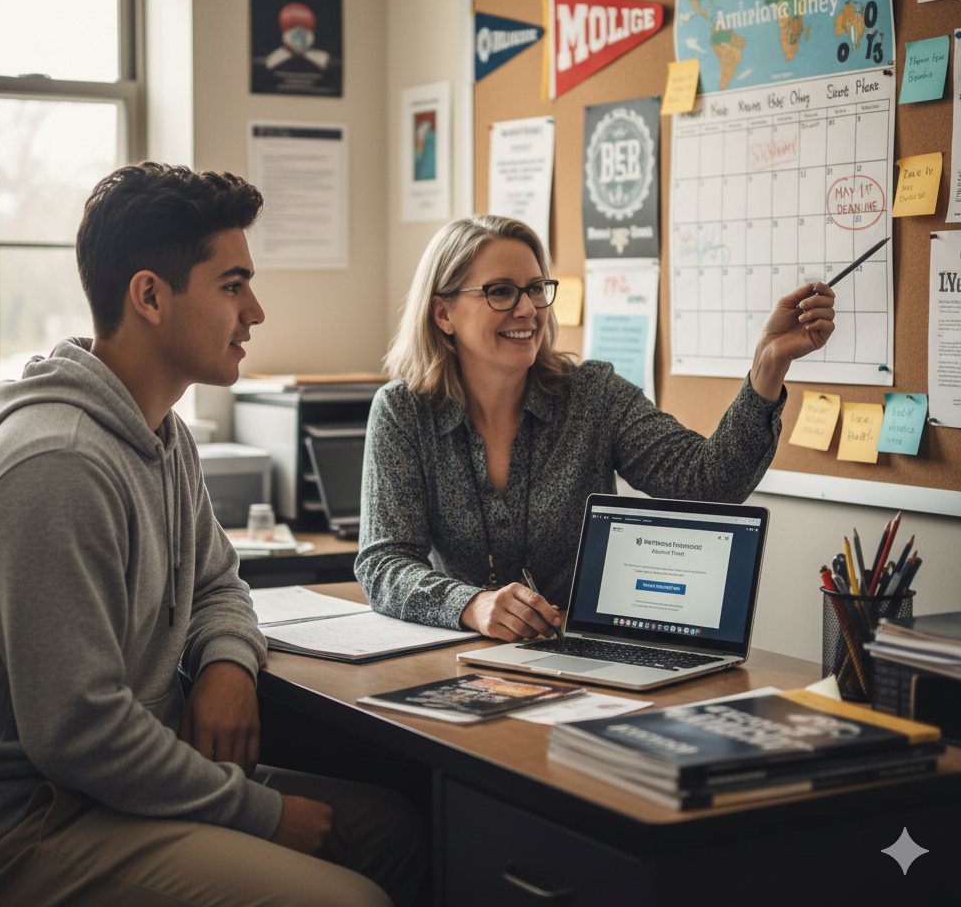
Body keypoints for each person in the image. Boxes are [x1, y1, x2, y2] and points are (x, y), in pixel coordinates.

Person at [0, 163, 424, 907]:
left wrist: (228, 662)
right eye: (233, 285)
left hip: (119, 786)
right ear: (151, 296)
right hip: (26, 825)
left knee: (402, 831)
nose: (255, 312)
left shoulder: (161, 433)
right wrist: (259, 813)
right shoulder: (58, 464)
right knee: (349, 899)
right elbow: (76, 732)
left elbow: (218, 583)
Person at [355, 214, 835, 643]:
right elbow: (383, 563)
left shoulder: (592, 395)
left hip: (580, 657)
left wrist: (769, 363)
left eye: (536, 288)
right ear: (443, 314)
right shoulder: (403, 412)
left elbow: (706, 485)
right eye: (500, 291)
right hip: (454, 655)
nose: (527, 309)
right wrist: (471, 605)